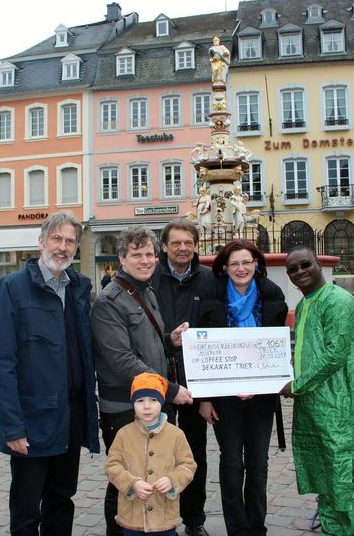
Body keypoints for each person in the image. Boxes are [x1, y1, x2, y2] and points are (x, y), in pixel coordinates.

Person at [0, 211, 100, 536]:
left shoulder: (78, 290)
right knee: (26, 506)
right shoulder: (11, 289)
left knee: (62, 498)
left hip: (70, 415)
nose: (63, 247)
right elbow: (1, 364)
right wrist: (12, 427)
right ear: (42, 241)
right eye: (57, 239)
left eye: (70, 241)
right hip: (32, 421)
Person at [90, 227, 194, 536]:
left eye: (149, 253)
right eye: (136, 254)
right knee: (125, 482)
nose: (145, 260)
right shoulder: (109, 301)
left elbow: (143, 343)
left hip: (152, 402)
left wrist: (168, 339)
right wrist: (171, 389)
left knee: (156, 475)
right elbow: (122, 360)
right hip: (125, 406)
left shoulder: (146, 290)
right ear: (121, 258)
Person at [280, 247, 354, 536]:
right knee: (323, 466)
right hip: (314, 400)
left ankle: (353, 530)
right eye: (292, 269)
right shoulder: (305, 303)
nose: (299, 272)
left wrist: (296, 384)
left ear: (319, 264)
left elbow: (335, 355)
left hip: (341, 400)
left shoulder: (338, 300)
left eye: (305, 265)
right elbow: (309, 348)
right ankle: (332, 524)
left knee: (342, 466)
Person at [197, 239, 288, 536]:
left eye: (246, 262)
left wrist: (278, 380)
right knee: (233, 462)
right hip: (225, 398)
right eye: (234, 263)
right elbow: (203, 355)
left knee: (258, 464)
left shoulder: (271, 295)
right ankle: (237, 528)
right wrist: (206, 398)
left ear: (256, 264)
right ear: (224, 267)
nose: (241, 268)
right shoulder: (211, 297)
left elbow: (280, 346)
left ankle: (256, 526)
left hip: (262, 398)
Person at [150, 219, 214, 536]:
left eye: (188, 242)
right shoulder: (149, 278)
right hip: (156, 377)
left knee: (192, 452)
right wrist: (166, 338)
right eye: (176, 243)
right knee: (155, 449)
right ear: (164, 246)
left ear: (195, 245)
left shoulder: (207, 278)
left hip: (194, 379)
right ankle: (159, 516)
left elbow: (217, 326)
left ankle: (194, 518)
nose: (182, 248)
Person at [105, 373, 197, 536]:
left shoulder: (176, 435)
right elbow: (112, 466)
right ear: (133, 403)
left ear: (161, 402)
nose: (147, 406)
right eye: (140, 401)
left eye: (153, 400)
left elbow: (188, 465)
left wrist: (172, 480)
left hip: (164, 516)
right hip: (132, 517)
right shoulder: (123, 434)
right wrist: (131, 483)